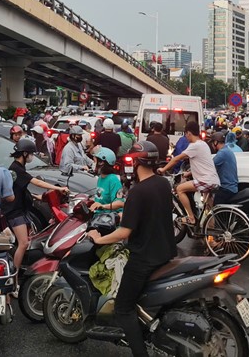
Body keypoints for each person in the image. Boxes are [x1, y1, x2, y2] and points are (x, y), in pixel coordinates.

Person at [87, 141, 175, 357]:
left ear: (135, 162)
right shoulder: (163, 183)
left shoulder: (138, 192)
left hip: (144, 258)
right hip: (166, 252)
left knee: (123, 307)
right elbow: (153, 214)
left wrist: (99, 239)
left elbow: (124, 233)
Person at [6, 138, 69, 269]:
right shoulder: (16, 169)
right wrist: (59, 188)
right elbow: (37, 182)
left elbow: (21, 190)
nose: (32, 156)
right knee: (23, 243)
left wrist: (38, 197)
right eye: (31, 154)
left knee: (24, 242)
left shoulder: (18, 168)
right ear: (24, 154)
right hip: (15, 212)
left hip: (19, 210)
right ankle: (15, 274)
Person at [158, 121, 220, 226]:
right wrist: (188, 173)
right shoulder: (203, 144)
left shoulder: (194, 146)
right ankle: (212, 236)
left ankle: (191, 218)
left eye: (185, 134)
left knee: (180, 189)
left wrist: (163, 169)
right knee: (209, 211)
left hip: (205, 181)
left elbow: (177, 159)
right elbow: (202, 163)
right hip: (213, 180)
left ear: (188, 133)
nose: (186, 137)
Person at [90, 147, 124, 215]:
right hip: (97, 217)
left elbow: (120, 203)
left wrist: (103, 206)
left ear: (101, 162)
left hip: (107, 219)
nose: (93, 163)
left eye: (95, 161)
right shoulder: (100, 177)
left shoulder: (113, 180)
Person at [212, 134, 239, 205]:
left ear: (215, 142)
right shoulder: (227, 150)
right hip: (232, 187)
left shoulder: (222, 153)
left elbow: (210, 165)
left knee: (215, 209)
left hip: (226, 188)